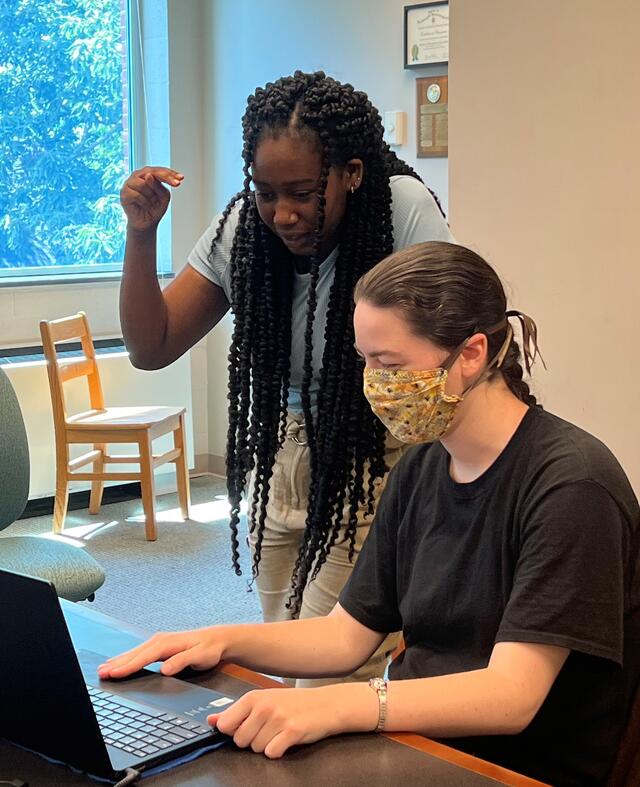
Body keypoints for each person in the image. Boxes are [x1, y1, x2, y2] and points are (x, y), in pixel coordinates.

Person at [102, 241, 640, 786]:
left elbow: (511, 696)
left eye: (388, 364)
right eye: (365, 361)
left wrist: (342, 706)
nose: (375, 385)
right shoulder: (423, 466)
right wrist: (217, 639)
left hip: (509, 769)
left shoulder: (573, 486)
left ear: (472, 354)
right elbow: (345, 636)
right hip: (417, 745)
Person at [119, 70, 453, 685]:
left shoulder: (401, 209)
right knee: (281, 642)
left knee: (330, 665)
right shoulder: (246, 228)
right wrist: (142, 236)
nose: (284, 214)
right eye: (268, 192)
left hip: (374, 451)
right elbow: (152, 345)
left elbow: (451, 339)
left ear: (350, 172)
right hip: (288, 451)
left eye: (302, 192)